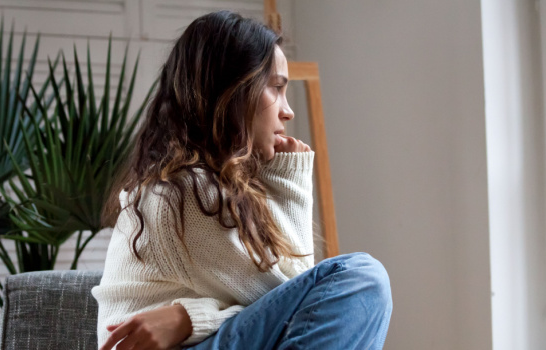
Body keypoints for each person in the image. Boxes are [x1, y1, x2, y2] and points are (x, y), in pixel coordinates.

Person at [91, 10, 392, 350]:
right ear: (232, 92)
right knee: (363, 278)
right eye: (276, 88)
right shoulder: (184, 194)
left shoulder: (201, 186)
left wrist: (188, 318)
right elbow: (302, 295)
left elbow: (296, 305)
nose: (287, 111)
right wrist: (290, 176)